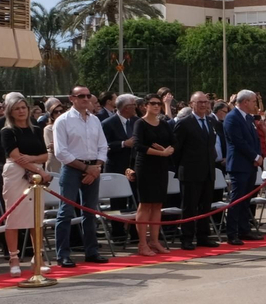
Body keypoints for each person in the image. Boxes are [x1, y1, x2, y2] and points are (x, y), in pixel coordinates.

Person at [51, 87, 111, 266]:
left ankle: (91, 251)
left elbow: (103, 146)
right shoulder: (62, 121)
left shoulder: (94, 120)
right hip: (72, 168)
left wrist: (96, 167)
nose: (86, 99)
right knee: (66, 212)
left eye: (88, 95)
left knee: (90, 211)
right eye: (81, 96)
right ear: (72, 98)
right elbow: (61, 152)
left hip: (93, 167)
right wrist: (86, 168)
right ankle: (63, 254)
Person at [0, 93, 52, 275]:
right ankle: (14, 257)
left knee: (36, 217)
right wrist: (41, 171)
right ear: (10, 112)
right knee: (13, 217)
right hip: (16, 173)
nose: (21, 111)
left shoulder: (36, 129)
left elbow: (45, 155)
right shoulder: (7, 131)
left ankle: (38, 256)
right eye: (16, 109)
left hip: (36, 172)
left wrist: (34, 161)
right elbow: (15, 156)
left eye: (23, 108)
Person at [171, 92, 225, 251]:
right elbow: (177, 149)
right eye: (200, 102)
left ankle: (203, 236)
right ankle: (187, 238)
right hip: (190, 172)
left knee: (205, 206)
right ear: (191, 104)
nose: (204, 105)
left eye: (206, 102)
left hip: (208, 171)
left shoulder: (210, 121)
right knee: (189, 207)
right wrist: (183, 167)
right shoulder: (184, 123)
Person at [132, 95, 176, 256]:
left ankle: (155, 241)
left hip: (161, 166)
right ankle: (142, 243)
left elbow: (173, 141)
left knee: (158, 204)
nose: (157, 106)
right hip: (146, 166)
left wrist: (167, 151)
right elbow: (138, 145)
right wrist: (160, 153)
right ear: (145, 105)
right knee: (145, 204)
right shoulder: (140, 123)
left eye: (159, 104)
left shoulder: (164, 123)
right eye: (153, 103)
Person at [224, 90, 264, 245]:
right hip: (239, 165)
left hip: (250, 164)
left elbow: (255, 140)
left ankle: (244, 229)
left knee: (246, 199)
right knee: (237, 199)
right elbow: (238, 141)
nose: (255, 104)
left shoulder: (248, 118)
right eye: (253, 101)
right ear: (245, 102)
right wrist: (255, 156)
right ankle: (232, 232)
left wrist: (258, 156)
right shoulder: (232, 118)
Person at [102, 94, 139, 247]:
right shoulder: (108, 123)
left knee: (136, 200)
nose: (135, 108)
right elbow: (105, 146)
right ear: (125, 108)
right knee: (117, 203)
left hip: (134, 167)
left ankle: (135, 233)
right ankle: (117, 233)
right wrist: (124, 143)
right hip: (117, 167)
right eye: (133, 105)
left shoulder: (137, 122)